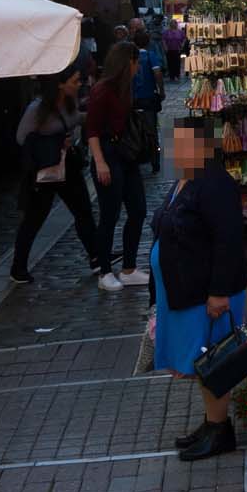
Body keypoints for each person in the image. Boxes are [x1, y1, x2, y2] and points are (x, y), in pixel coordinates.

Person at [154, 118, 247, 461]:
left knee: (214, 361)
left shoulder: (215, 183)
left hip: (209, 292)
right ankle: (211, 424)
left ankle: (220, 430)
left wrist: (219, 292)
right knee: (202, 362)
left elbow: (229, 239)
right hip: (187, 289)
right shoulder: (185, 178)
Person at [11, 64, 102, 283]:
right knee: (34, 218)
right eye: (74, 81)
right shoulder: (37, 109)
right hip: (47, 168)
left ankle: (97, 257)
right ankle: (18, 267)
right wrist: (53, 142)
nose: (78, 85)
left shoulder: (68, 104)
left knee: (83, 211)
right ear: (61, 85)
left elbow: (76, 118)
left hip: (67, 164)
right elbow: (21, 138)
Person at [86, 42, 150, 292]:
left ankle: (129, 268)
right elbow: (91, 129)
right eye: (136, 63)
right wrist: (100, 162)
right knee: (109, 216)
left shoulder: (125, 88)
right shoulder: (103, 90)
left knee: (138, 209)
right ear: (128, 62)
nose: (138, 68)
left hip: (125, 155)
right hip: (108, 154)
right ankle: (104, 272)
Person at [130, 17, 166, 173]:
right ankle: (155, 161)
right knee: (151, 130)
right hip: (148, 99)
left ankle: (135, 158)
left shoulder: (129, 57)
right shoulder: (151, 55)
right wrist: (161, 90)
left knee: (134, 130)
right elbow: (157, 73)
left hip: (132, 100)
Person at [161, 15, 187, 82]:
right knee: (170, 63)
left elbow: (184, 39)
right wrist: (165, 47)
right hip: (169, 49)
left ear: (176, 24)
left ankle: (177, 75)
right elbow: (163, 40)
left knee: (177, 63)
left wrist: (182, 45)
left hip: (177, 49)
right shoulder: (166, 32)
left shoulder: (180, 32)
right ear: (170, 24)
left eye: (174, 23)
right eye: (172, 23)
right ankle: (171, 76)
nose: (173, 24)